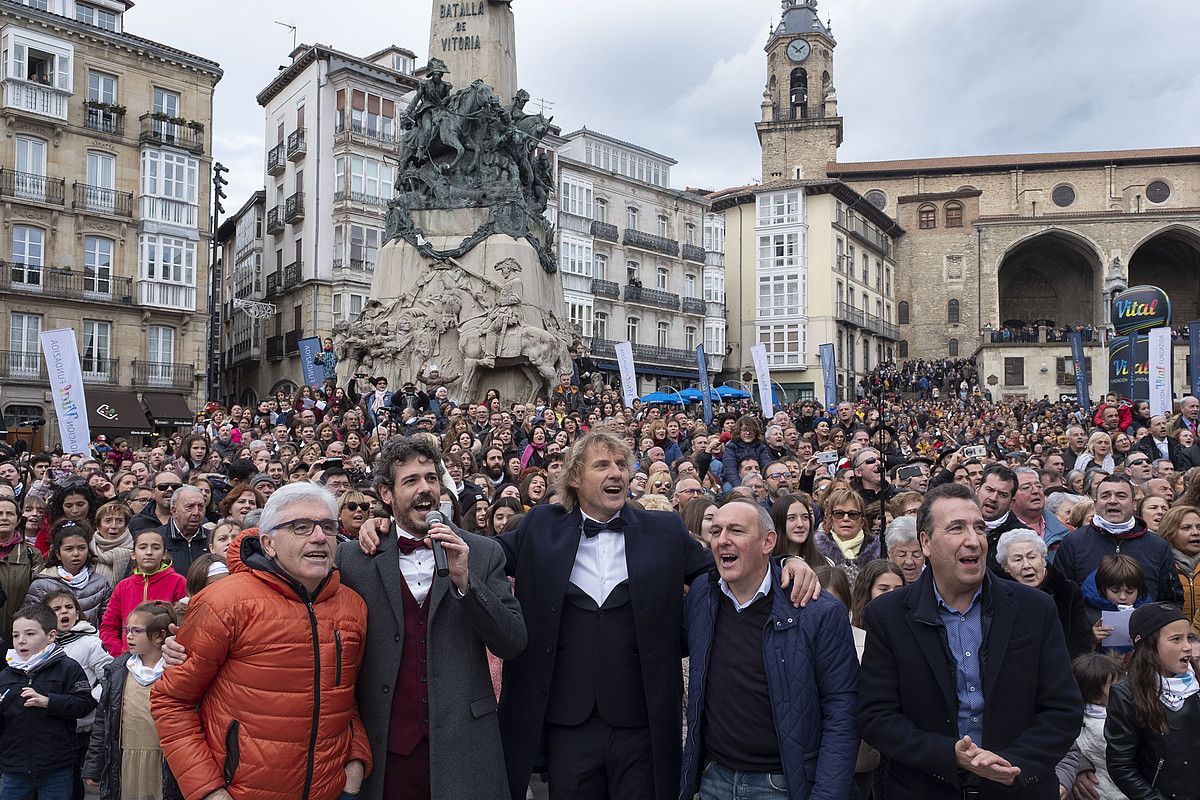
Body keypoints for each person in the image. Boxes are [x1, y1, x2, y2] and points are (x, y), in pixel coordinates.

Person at [492, 431, 818, 800]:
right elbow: (489, 554)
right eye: (602, 465)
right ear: (575, 478)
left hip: (642, 725)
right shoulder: (541, 526)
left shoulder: (664, 530)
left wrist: (784, 563)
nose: (616, 473)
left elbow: (725, 567)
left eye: (621, 465)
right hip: (567, 725)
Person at [857, 482, 1082, 799]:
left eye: (979, 527)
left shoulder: (1035, 608)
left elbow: (1063, 710)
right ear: (926, 543)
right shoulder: (887, 616)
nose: (974, 540)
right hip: (925, 789)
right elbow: (876, 716)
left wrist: (1012, 763)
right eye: (957, 529)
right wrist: (948, 754)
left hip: (1017, 789)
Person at [153, 483, 372, 800]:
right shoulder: (223, 602)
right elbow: (171, 701)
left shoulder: (353, 607)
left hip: (332, 790)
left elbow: (348, 696)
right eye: (301, 527)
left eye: (328, 526)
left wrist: (354, 765)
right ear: (268, 543)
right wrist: (209, 791)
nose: (320, 537)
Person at [340, 436, 526, 800]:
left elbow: (513, 641)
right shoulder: (355, 559)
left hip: (465, 748)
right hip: (387, 749)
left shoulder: (483, 552)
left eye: (431, 478)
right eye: (411, 481)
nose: (425, 489)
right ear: (385, 493)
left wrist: (466, 583)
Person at [679, 499, 858, 800]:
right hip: (714, 779)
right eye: (716, 530)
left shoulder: (817, 610)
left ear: (768, 542)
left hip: (783, 785)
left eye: (736, 530)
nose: (723, 539)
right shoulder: (701, 593)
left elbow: (843, 710)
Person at [84, 601, 180, 800]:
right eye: (127, 629)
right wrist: (95, 765)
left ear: (159, 636)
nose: (128, 636)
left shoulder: (175, 671)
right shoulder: (119, 670)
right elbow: (103, 721)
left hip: (161, 762)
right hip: (124, 760)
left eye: (137, 631)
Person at [1103, 603, 1200, 799]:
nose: (1187, 647)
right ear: (1149, 646)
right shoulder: (1127, 694)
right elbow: (1121, 766)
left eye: (1188, 637)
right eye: (1176, 639)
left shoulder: (1197, 680)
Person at [0, 603, 96, 800]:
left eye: (30, 634)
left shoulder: (68, 667)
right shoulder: (6, 674)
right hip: (14, 767)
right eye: (16, 635)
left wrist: (48, 702)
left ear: (51, 636)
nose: (21, 641)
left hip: (56, 766)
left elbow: (85, 703)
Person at [1054, 474, 1181, 605]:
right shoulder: (1074, 542)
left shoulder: (1157, 545)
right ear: (1096, 504)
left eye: (1121, 496)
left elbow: (1171, 600)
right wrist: (1086, 625)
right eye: (1105, 496)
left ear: (1133, 504)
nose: (1113, 501)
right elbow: (1062, 598)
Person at [44, 588, 112, 800]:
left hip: (84, 724)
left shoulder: (90, 642)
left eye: (69, 607)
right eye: (56, 608)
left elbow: (108, 677)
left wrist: (90, 699)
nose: (64, 612)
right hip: (53, 721)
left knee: (74, 776)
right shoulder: (42, 643)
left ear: (77, 612)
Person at [996, 529, 1093, 659]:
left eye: (1032, 557)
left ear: (1043, 559)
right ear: (1006, 568)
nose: (1026, 565)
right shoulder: (999, 596)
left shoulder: (1067, 590)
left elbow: (1080, 642)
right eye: (1017, 559)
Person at [98, 529, 186, 656]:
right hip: (128, 657)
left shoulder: (178, 582)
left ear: (164, 554)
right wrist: (120, 652)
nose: (149, 552)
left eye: (155, 548)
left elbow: (185, 624)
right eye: (143, 547)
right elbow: (108, 626)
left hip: (165, 657)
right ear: (133, 554)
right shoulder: (123, 586)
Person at [1055, 654, 1125, 800]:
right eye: (1115, 687)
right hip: (1111, 790)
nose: (1124, 689)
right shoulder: (1103, 726)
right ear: (1095, 698)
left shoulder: (1080, 714)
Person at [25, 522, 111, 627]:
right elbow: (31, 623)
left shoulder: (99, 582)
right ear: (58, 554)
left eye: (81, 548)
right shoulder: (41, 584)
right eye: (69, 549)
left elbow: (108, 622)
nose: (76, 553)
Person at [0, 495, 43, 650]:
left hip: (19, 636)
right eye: (0, 513)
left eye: (10, 514)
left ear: (18, 520)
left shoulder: (32, 554)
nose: (4, 518)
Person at [1159, 504, 1200, 636]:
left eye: (1199, 527)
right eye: (1186, 528)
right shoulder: (1162, 567)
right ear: (1169, 532)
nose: (1196, 532)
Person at [885, 515, 926, 583]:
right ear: (889, 553)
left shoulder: (934, 581)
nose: (909, 562)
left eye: (916, 555)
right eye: (902, 554)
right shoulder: (880, 581)